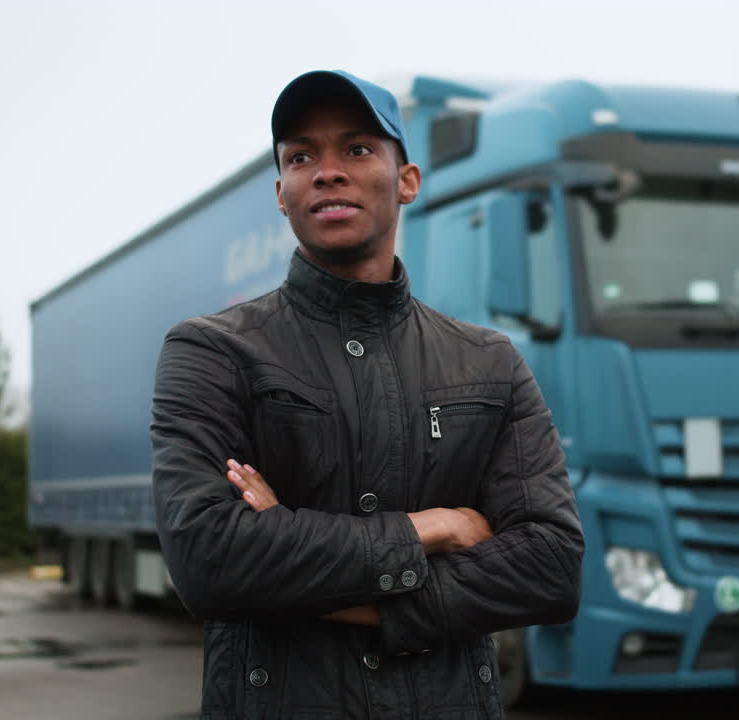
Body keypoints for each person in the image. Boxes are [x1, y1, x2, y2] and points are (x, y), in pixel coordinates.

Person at [150, 69, 584, 720]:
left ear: (407, 180)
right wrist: (437, 526)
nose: (326, 171)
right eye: (301, 156)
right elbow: (209, 560)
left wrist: (311, 575)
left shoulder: (488, 363)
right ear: (281, 193)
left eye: (356, 149)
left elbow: (551, 569)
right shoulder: (213, 352)